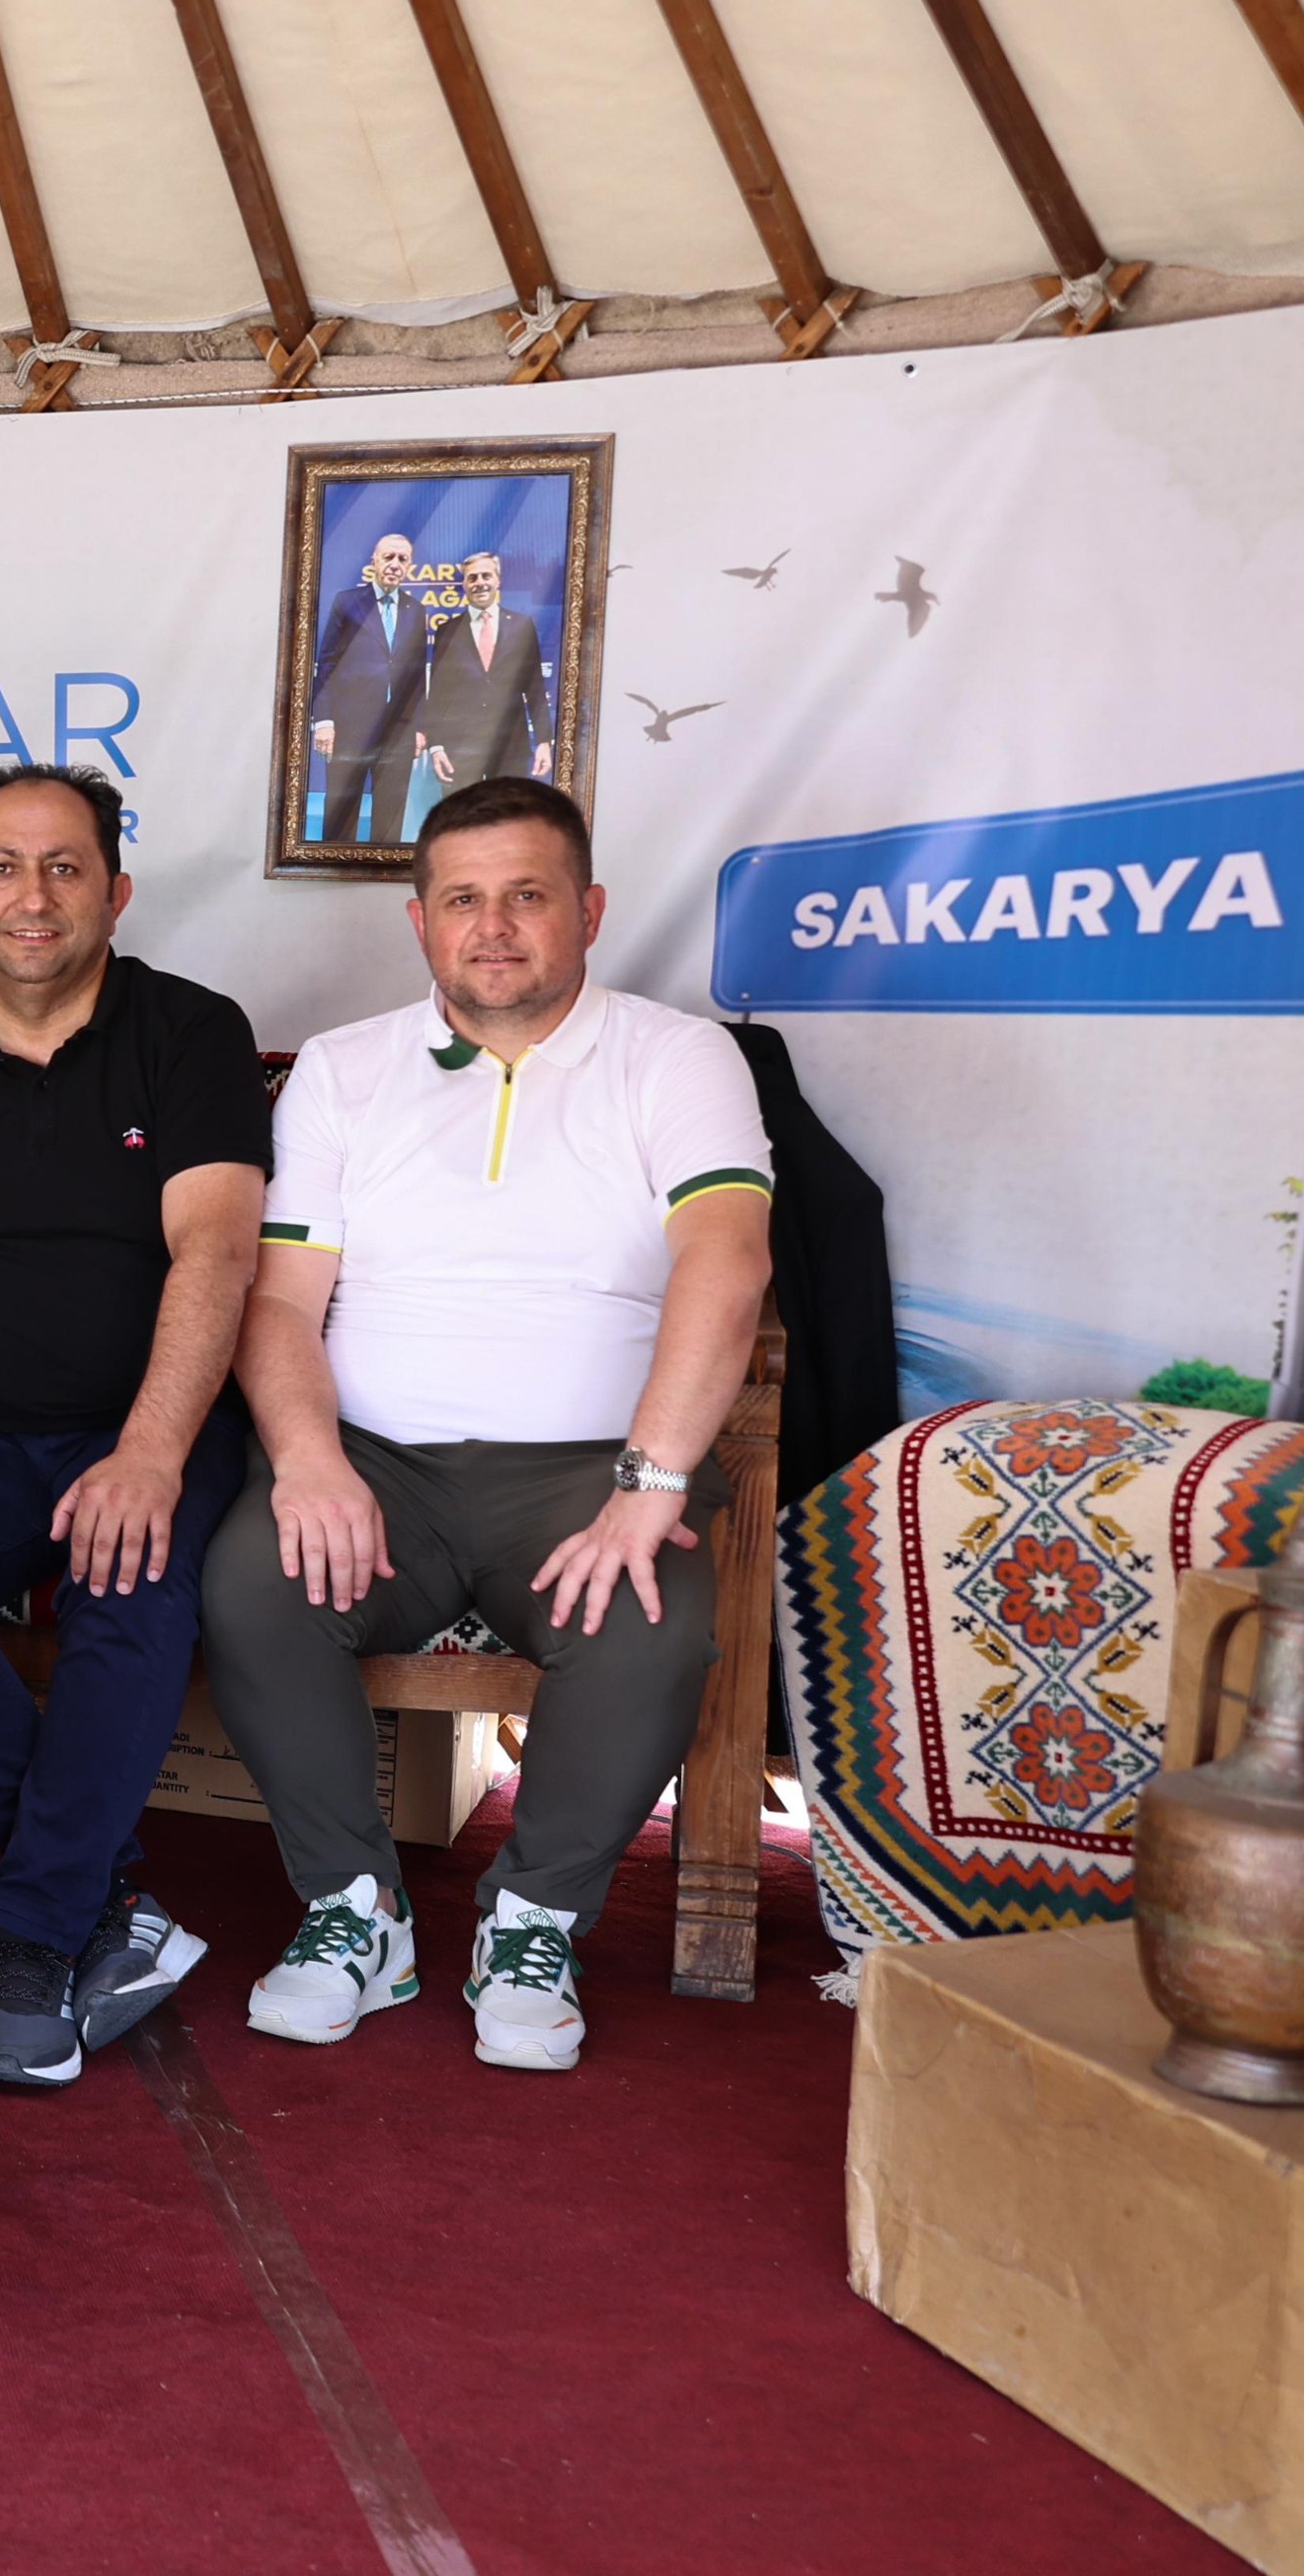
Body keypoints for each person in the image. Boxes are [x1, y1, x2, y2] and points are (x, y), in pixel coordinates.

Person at [201, 777, 771, 2073]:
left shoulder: (680, 1057)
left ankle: (534, 1923)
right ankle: (355, 1911)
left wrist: (649, 1482)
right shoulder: (343, 1067)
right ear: (420, 922)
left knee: (646, 1617)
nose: (494, 925)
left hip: (590, 1470)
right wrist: (307, 1460)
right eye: (462, 898)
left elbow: (728, 1265)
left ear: (591, 910)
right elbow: (279, 1302)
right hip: (378, 1464)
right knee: (252, 1580)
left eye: (527, 894)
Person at [0, 766, 268, 2088]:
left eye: (66, 866)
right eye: (3, 867)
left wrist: (149, 1453)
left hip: (152, 1426)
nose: (35, 896)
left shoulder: (191, 1034)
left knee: (127, 1577)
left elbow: (216, 1251)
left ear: (116, 892)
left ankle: (29, 1937)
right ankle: (106, 1893)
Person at [306, 530, 431, 845]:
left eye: (403, 559)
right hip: (351, 724)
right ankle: (335, 871)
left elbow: (417, 676)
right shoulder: (348, 602)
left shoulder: (416, 611)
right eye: (388, 557)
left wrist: (419, 727)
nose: (395, 564)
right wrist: (324, 720)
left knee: (390, 819)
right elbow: (328, 663)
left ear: (410, 567)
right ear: (373, 561)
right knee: (341, 814)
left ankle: (380, 871)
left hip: (399, 729)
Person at [414, 551, 553, 794]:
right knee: (464, 815)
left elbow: (535, 689)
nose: (479, 583)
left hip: (511, 747)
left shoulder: (522, 626)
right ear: (464, 585)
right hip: (460, 751)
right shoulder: (447, 631)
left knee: (508, 813)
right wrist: (436, 746)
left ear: (498, 580)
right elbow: (438, 695)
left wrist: (543, 742)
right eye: (472, 578)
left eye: (486, 576)